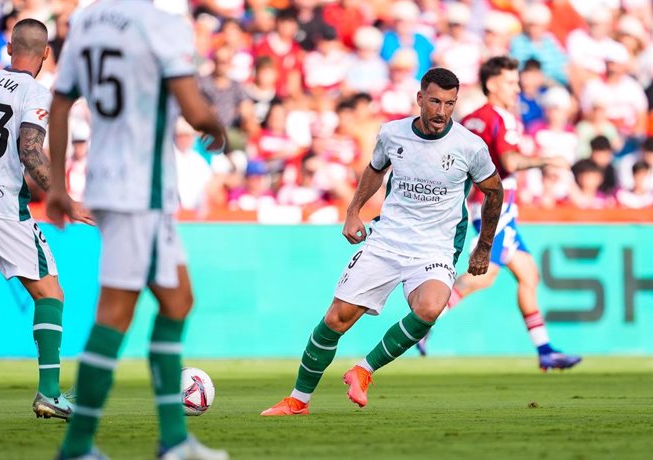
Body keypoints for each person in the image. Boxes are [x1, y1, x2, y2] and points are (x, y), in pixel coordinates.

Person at [261, 67, 504, 416]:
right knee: (336, 320)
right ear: (420, 98)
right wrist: (353, 211)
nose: (441, 111)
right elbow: (375, 169)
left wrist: (483, 247)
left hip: (434, 248)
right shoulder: (393, 134)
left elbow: (494, 192)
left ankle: (364, 369)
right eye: (434, 101)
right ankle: (298, 400)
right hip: (387, 240)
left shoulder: (470, 146)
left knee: (431, 307)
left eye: (449, 103)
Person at [46, 3, 228, 460]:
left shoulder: (86, 21)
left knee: (177, 300)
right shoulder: (162, 24)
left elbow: (61, 102)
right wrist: (215, 125)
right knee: (115, 314)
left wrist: (57, 182)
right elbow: (191, 106)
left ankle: (173, 441)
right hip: (139, 190)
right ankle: (77, 446)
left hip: (112, 183)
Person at [416, 56, 582, 371]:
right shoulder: (501, 118)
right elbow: (510, 163)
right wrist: (547, 160)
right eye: (510, 82)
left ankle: (545, 351)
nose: (516, 88)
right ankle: (422, 322)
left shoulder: (472, 117)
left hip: (484, 202)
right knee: (485, 276)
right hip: (497, 205)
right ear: (492, 84)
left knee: (529, 275)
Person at [0, 18, 89, 420]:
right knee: (50, 294)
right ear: (46, 53)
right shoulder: (35, 92)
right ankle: (49, 393)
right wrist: (61, 196)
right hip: (0, 206)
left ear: (9, 48)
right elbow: (30, 148)